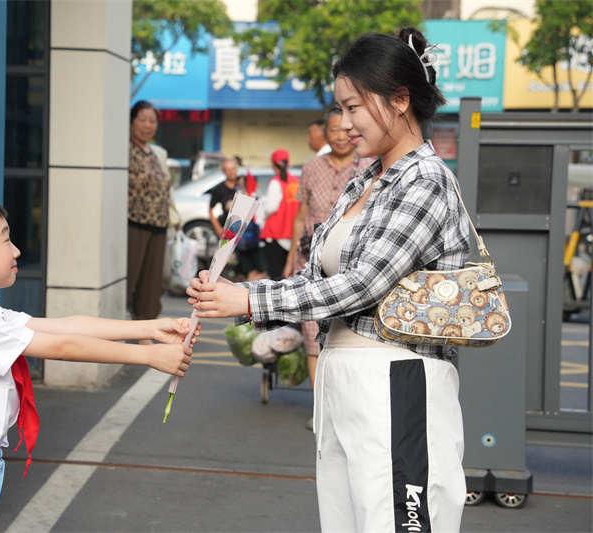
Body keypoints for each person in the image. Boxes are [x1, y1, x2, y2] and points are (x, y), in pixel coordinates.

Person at [187, 28, 471, 532]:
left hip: (397, 378)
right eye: (338, 110)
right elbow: (318, 273)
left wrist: (249, 299)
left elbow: (363, 283)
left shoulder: (425, 179)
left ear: (400, 100)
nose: (343, 124)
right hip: (345, 376)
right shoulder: (366, 179)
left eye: (353, 107)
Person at [0, 189, 197, 531]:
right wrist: (148, 354)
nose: (17, 250)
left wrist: (153, 327)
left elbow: (65, 327)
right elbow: (64, 346)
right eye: (6, 240)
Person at [283, 113, 374, 430]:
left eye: (344, 129)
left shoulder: (368, 168)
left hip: (350, 264)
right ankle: (320, 407)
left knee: (346, 332)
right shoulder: (310, 168)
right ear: (325, 134)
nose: (339, 135)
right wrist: (290, 257)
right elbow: (300, 215)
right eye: (332, 130)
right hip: (309, 260)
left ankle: (347, 409)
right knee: (311, 333)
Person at [127, 100, 171, 322]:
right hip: (134, 224)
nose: (148, 125)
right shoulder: (124, 149)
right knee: (130, 279)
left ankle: (145, 328)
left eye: (152, 121)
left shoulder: (156, 153)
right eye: (142, 120)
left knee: (152, 284)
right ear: (132, 121)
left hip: (159, 225)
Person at [258, 149, 300, 281]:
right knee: (289, 275)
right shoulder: (295, 181)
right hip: (292, 234)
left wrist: (261, 217)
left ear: (273, 164)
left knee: (275, 275)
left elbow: (271, 207)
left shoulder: (275, 182)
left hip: (275, 233)